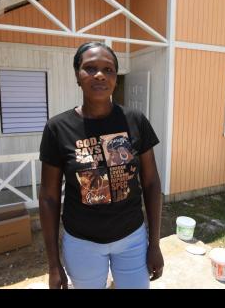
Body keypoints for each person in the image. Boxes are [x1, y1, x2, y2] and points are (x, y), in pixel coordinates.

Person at [39, 41, 164, 289]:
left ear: (115, 78)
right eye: (90, 68)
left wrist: (155, 244)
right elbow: (49, 198)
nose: (99, 75)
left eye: (108, 69)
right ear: (77, 75)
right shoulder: (58, 128)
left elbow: (151, 183)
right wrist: (54, 265)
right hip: (81, 243)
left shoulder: (135, 120)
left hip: (132, 239)